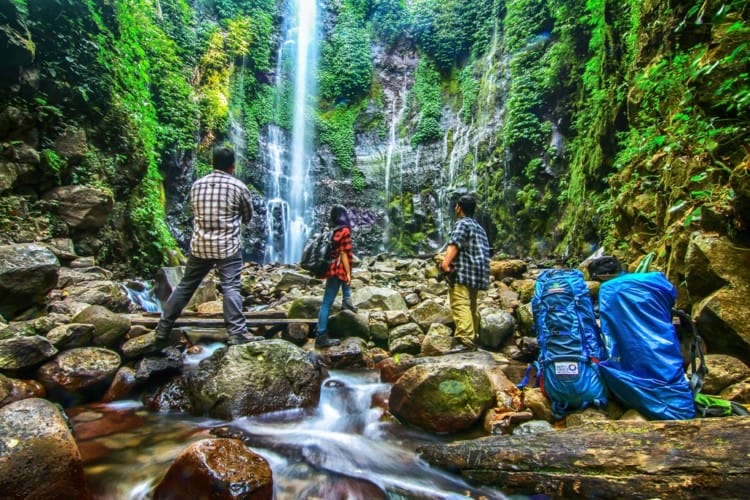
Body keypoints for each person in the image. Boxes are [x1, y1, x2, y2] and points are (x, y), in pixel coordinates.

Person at [154, 145, 258, 348]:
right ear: (232, 166)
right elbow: (248, 216)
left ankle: (162, 329)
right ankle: (237, 333)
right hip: (227, 247)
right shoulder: (238, 187)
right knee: (231, 286)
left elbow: (195, 211)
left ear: (213, 163)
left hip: (200, 246)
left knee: (185, 286)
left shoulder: (197, 185)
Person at [440, 194, 490, 351]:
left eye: (456, 205)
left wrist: (445, 264)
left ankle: (465, 340)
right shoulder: (479, 227)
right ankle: (473, 336)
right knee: (472, 306)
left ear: (459, 208)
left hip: (464, 271)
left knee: (460, 304)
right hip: (478, 273)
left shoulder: (462, 224)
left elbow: (454, 244)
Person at [315, 204, 357, 348]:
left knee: (328, 300)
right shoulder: (344, 231)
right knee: (326, 303)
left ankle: (347, 300)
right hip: (338, 267)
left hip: (332, 266)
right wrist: (348, 273)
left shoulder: (332, 230)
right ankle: (321, 335)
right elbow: (344, 254)